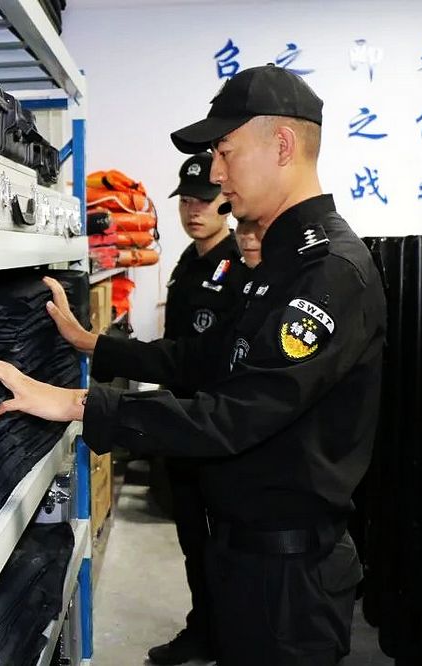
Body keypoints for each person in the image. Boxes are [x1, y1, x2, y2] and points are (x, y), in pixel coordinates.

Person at [0, 64, 387, 665]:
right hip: (247, 556)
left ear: (281, 145)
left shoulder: (326, 273)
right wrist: (95, 346)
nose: (215, 173)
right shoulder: (277, 263)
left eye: (225, 151)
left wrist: (77, 403)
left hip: (289, 581)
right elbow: (204, 360)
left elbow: (233, 415)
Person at [147, 151, 257, 665]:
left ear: (225, 204)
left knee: (219, 544)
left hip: (214, 426)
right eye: (186, 201)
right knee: (193, 537)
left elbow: (208, 355)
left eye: (205, 201)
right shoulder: (189, 263)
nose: (194, 211)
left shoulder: (238, 266)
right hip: (182, 419)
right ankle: (204, 631)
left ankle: (226, 635)